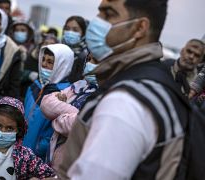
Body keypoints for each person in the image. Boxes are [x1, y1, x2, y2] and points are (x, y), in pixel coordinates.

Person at [56, 0, 190, 179]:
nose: (97, 21)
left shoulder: (124, 103)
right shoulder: (151, 81)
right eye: (99, 12)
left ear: (140, 28)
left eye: (109, 14)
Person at [40, 52, 99, 169]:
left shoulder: (106, 95)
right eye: (89, 59)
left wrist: (58, 116)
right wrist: (77, 114)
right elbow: (46, 104)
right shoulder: (79, 85)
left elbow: (78, 125)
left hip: (73, 163)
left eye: (96, 61)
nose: (89, 64)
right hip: (53, 155)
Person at [23, 44, 74, 161]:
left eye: (50, 62)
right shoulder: (34, 86)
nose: (44, 64)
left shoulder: (65, 94)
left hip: (40, 156)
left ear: (62, 65)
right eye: (43, 60)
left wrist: (41, 147)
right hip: (22, 148)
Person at [62, 16, 88, 83]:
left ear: (83, 33)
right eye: (67, 29)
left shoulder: (87, 57)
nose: (70, 32)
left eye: (75, 30)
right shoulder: (57, 51)